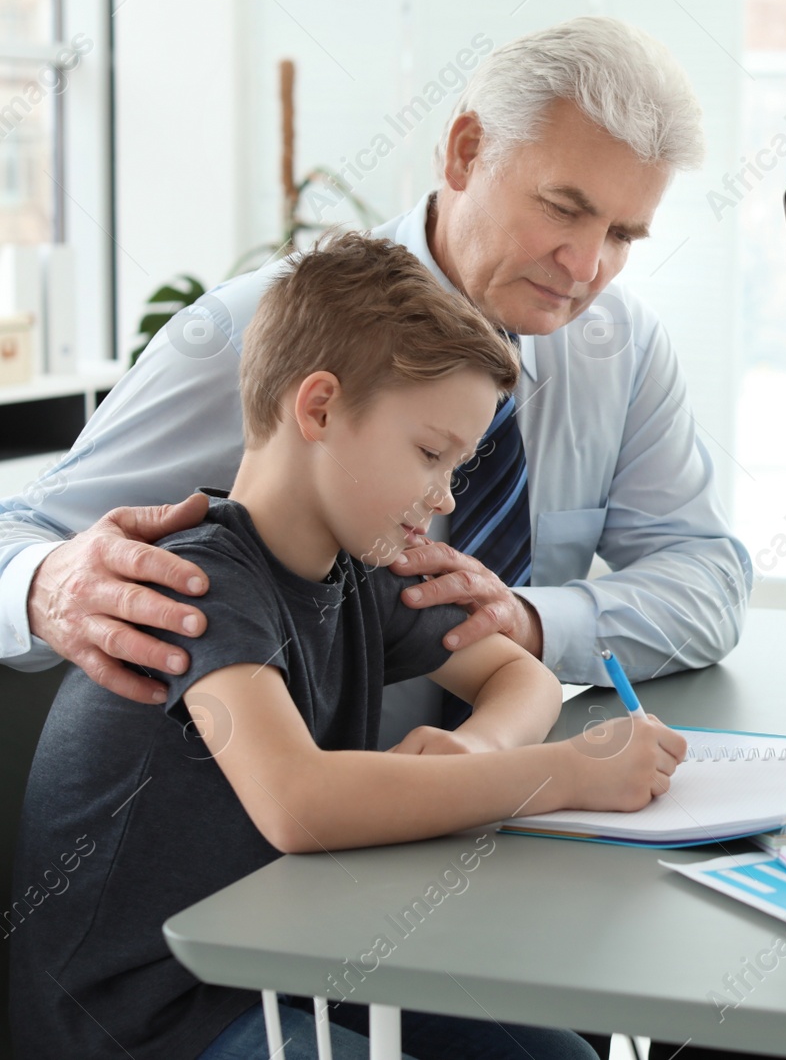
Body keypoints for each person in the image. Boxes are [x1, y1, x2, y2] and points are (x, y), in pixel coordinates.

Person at [9, 233, 688, 1059]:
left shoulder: (356, 566)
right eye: (431, 454)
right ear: (320, 408)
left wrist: (471, 746)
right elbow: (300, 802)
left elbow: (519, 670)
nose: (441, 495)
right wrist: (569, 772)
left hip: (285, 961)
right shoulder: (200, 584)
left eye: (457, 468)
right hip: (148, 1014)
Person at [0, 14, 751, 728]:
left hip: (493, 803)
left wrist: (523, 619)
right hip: (278, 837)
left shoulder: (619, 346)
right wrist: (46, 587)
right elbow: (17, 536)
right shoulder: (253, 330)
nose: (588, 268)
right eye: (562, 208)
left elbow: (708, 580)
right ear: (465, 152)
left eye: (621, 234)